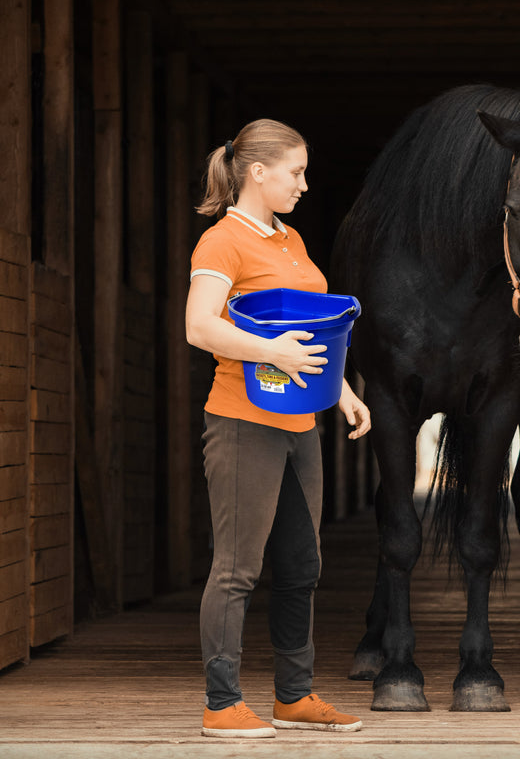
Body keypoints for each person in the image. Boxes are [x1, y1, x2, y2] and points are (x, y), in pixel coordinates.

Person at [185, 119, 370, 738]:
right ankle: (222, 704)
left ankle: (294, 696)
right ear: (257, 173)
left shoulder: (289, 239)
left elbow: (313, 329)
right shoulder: (221, 242)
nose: (305, 183)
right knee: (237, 567)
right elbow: (200, 327)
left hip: (300, 423)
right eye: (296, 171)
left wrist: (341, 390)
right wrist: (270, 351)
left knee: (300, 564)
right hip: (242, 422)